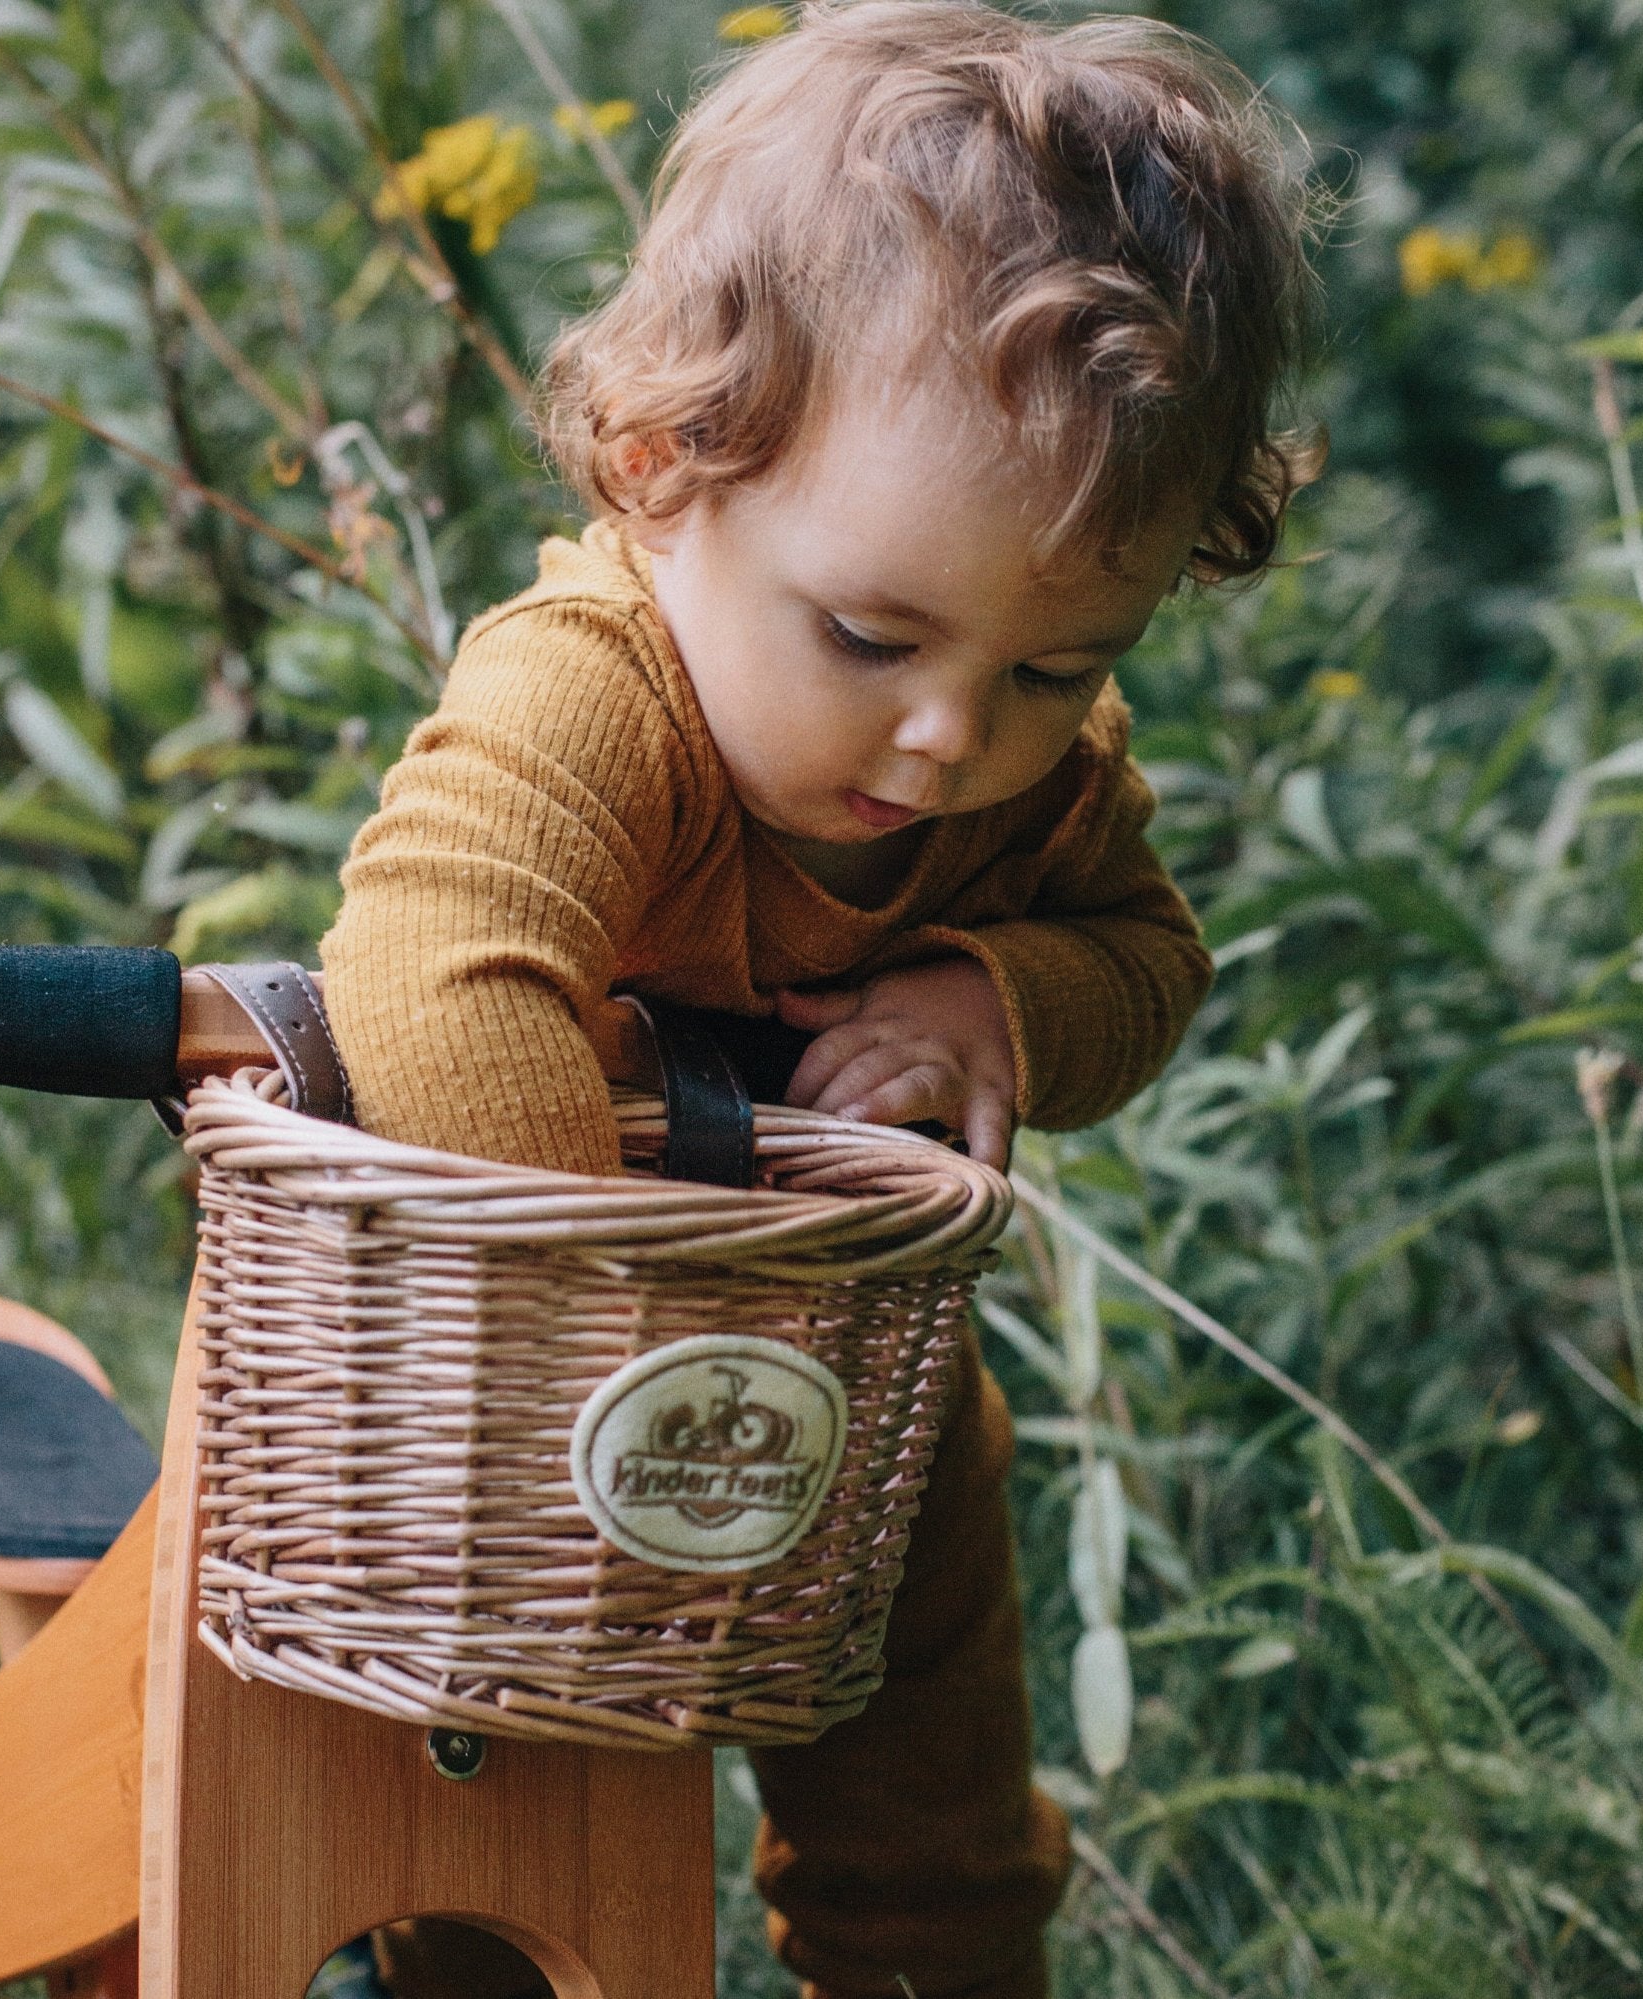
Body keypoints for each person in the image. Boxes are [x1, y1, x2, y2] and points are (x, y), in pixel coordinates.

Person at [321, 5, 1316, 1992]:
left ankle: (930, 1958)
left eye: (1058, 665)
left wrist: (993, 1000)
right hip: (490, 1384)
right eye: (873, 633)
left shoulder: (1038, 775)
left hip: (857, 1384)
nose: (954, 732)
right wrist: (616, 1329)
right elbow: (430, 966)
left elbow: (1149, 955)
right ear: (662, 466)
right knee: (481, 1780)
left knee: (923, 1743)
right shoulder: (592, 691)